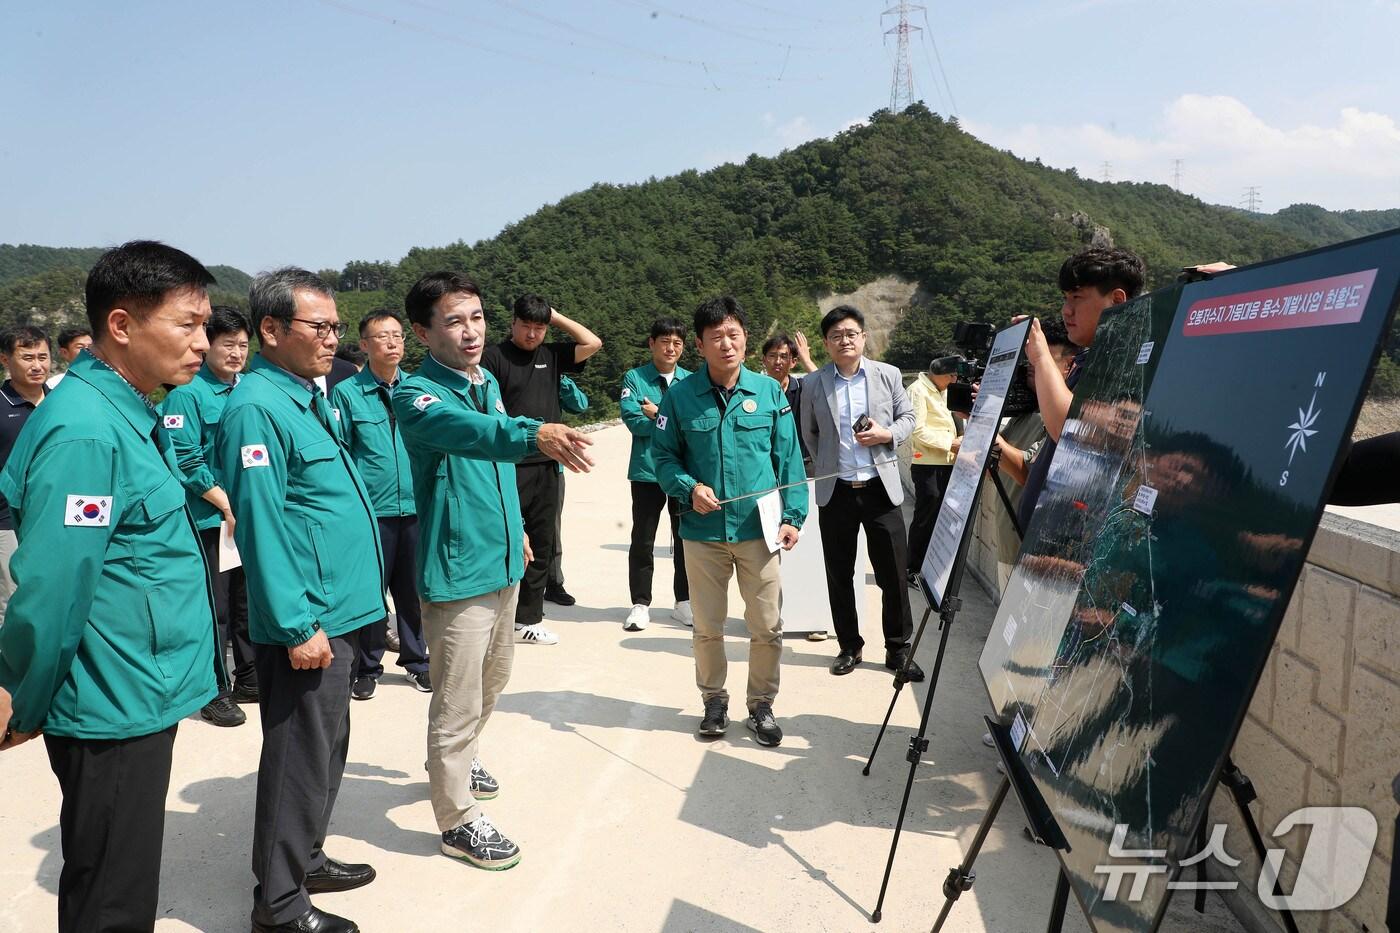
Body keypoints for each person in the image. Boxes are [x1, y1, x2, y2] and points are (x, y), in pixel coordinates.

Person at [0, 240, 221, 933]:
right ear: (121, 325)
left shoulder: (124, 411)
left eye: (204, 325)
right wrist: (20, 694)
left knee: (115, 882)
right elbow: (53, 586)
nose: (203, 343)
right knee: (113, 903)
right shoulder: (89, 432)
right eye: (186, 324)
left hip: (132, 689)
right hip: (110, 704)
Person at [394, 271, 593, 870]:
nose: (470, 330)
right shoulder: (417, 394)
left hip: (503, 559)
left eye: (476, 316)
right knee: (455, 701)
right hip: (457, 571)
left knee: (494, 679)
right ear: (424, 332)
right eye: (453, 321)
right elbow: (474, 436)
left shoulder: (484, 382)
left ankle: (457, 760)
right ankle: (457, 820)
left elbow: (497, 469)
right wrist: (535, 430)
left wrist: (521, 534)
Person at [217, 267, 384, 933]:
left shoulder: (302, 396)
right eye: (321, 327)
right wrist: (294, 624)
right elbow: (259, 526)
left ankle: (305, 854)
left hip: (335, 609)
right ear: (271, 329)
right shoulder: (257, 406)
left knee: (324, 747)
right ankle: (280, 906)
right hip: (306, 618)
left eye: (336, 327)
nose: (333, 339)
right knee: (296, 755)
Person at [652, 296, 806, 746]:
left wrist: (794, 515)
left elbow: (789, 459)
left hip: (759, 531)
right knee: (708, 625)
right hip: (702, 534)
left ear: (745, 338)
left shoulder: (769, 391)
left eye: (734, 334)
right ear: (699, 344)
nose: (726, 343)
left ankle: (761, 705)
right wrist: (688, 487)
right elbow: (662, 457)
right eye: (716, 336)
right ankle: (714, 700)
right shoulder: (679, 397)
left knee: (766, 624)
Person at [801, 305, 924, 681]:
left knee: (892, 574)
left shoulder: (886, 376)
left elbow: (908, 418)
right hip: (835, 491)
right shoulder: (813, 383)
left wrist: (887, 435)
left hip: (880, 490)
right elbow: (810, 433)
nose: (845, 340)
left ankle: (898, 649)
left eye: (851, 333)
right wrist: (827, 466)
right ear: (826, 343)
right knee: (839, 574)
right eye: (836, 335)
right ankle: (849, 646)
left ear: (864, 337)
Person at [480, 293, 602, 644]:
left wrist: (556, 316)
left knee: (542, 542)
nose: (532, 335)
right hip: (507, 464)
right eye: (526, 326)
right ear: (512, 322)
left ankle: (528, 620)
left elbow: (592, 342)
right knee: (504, 541)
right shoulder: (493, 357)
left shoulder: (551, 355)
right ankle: (492, 616)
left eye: (539, 328)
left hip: (548, 465)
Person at [161, 305, 257, 728]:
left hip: (249, 516)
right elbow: (184, 458)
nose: (236, 353)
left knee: (247, 602)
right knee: (214, 608)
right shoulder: (186, 394)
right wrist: (224, 503)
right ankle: (214, 689)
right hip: (211, 521)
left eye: (242, 345)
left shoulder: (249, 390)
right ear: (208, 345)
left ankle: (250, 678)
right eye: (227, 345)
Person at [332, 310, 431, 701]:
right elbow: (340, 452)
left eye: (397, 335)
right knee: (371, 593)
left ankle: (416, 661)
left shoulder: (418, 389)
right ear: (366, 345)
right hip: (372, 511)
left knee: (412, 590)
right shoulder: (346, 393)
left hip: (416, 507)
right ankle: (368, 667)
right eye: (382, 336)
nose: (392, 342)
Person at [1017, 247, 1147, 531]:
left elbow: (1067, 429)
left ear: (1116, 300)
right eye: (1065, 298)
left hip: (1078, 542)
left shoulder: (1130, 361)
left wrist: (1040, 358)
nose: (1066, 310)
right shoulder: (1094, 358)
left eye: (1077, 297)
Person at [989, 318, 1077, 592]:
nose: (1033, 369)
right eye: (1032, 361)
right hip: (1008, 544)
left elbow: (1027, 474)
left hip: (1031, 552)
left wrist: (987, 431)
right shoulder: (1028, 411)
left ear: (1070, 365)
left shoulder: (1060, 418)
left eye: (1044, 361)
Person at [620, 317, 693, 631]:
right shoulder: (635, 378)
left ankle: (684, 602)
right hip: (647, 471)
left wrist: (658, 413)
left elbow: (693, 427)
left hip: (683, 473)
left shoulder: (692, 381)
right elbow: (634, 420)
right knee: (643, 539)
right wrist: (671, 418)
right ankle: (640, 603)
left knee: (686, 538)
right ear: (651, 343)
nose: (671, 348)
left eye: (677, 342)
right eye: (665, 341)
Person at [0, 325, 51, 625]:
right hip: (8, 524)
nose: (37, 366)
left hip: (57, 519)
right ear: (6, 360)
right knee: (13, 604)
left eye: (42, 357)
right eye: (27, 357)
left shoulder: (63, 401)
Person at [905, 355, 960, 588]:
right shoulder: (918, 390)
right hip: (927, 464)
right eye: (951, 375)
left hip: (947, 463)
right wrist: (950, 443)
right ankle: (912, 568)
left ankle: (932, 568)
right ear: (938, 373)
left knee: (942, 517)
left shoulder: (944, 390)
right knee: (925, 516)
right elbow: (917, 431)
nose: (954, 379)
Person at [545, 374, 589, 605]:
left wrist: (560, 377)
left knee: (552, 529)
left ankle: (554, 583)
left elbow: (580, 404)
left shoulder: (553, 375)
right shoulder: (505, 367)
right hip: (514, 463)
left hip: (553, 465)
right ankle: (520, 588)